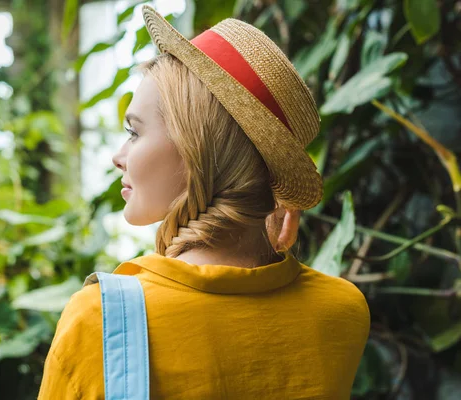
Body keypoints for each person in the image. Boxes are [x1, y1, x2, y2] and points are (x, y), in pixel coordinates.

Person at [38, 5, 370, 399]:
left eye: (134, 132)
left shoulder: (101, 322)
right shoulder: (342, 311)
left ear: (197, 149)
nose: (118, 155)